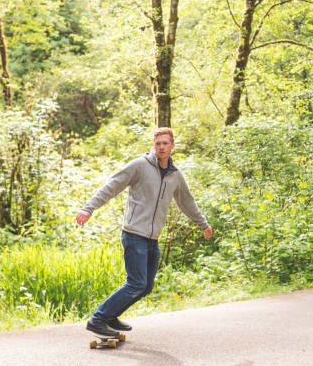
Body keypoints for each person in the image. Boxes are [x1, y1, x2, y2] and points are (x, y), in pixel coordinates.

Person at [76, 127, 213, 337]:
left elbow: (187, 202)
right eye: (158, 144)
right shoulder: (140, 165)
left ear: (172, 145)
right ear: (154, 145)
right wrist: (89, 207)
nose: (161, 147)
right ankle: (98, 319)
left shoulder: (175, 176)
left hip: (152, 239)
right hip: (134, 234)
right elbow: (113, 185)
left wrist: (203, 224)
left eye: (165, 143)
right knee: (136, 283)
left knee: (146, 286)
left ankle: (111, 316)